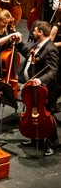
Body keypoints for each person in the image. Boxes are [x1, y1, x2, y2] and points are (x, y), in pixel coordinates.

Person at [19, 21, 59, 156]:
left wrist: (40, 80)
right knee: (34, 112)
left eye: (35, 31)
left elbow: (52, 70)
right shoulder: (39, 45)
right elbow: (31, 57)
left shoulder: (51, 49)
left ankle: (52, 143)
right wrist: (19, 44)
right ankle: (36, 139)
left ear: (40, 33)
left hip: (46, 89)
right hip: (35, 87)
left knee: (47, 115)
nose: (33, 33)